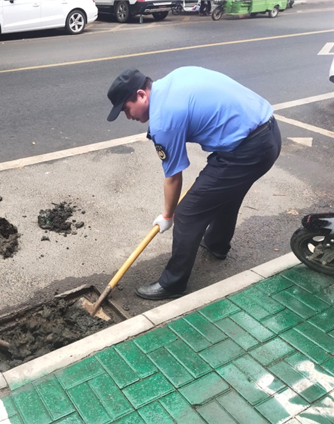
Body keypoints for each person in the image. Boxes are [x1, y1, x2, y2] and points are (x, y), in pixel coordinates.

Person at [106, 67, 281, 300]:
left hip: (248, 149)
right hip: (267, 132)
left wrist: (168, 215)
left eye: (126, 109)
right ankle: (217, 244)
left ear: (141, 95)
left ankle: (173, 283)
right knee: (226, 192)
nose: (128, 117)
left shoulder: (164, 121)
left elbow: (173, 177)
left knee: (187, 213)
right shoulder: (175, 77)